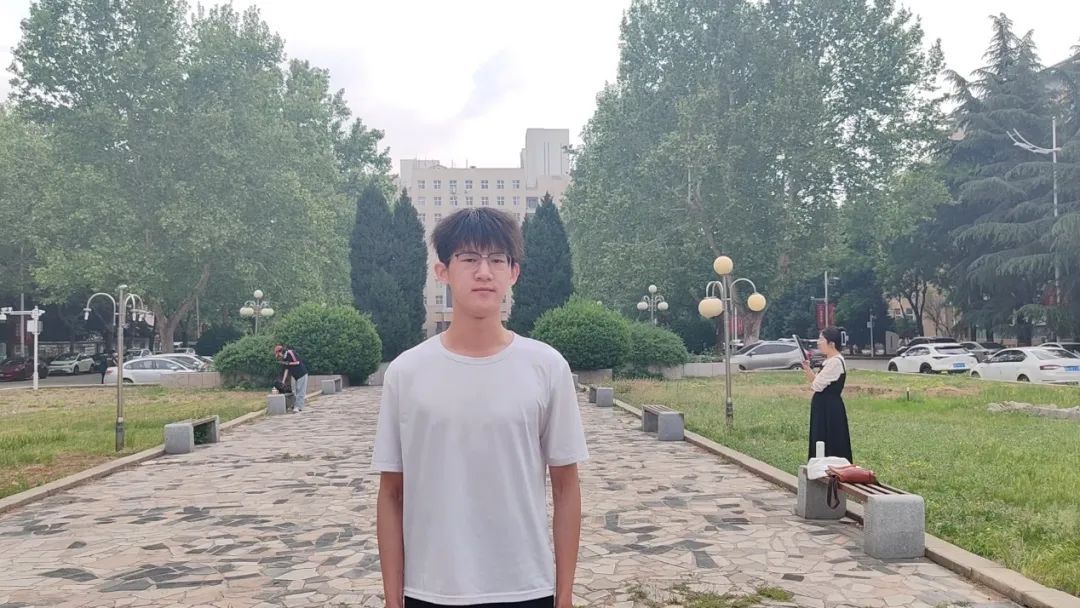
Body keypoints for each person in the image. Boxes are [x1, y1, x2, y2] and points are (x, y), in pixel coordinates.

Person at [371, 207, 589, 608]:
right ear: (442, 271)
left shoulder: (546, 367)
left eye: (497, 260)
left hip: (526, 587)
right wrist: (391, 597)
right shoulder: (407, 372)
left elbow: (566, 485)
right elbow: (391, 493)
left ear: (513, 273)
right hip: (431, 589)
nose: (484, 272)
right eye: (469, 259)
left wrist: (564, 595)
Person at [802, 326, 853, 462]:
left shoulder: (835, 362)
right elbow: (818, 383)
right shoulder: (830, 361)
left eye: (821, 339)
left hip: (829, 407)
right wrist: (808, 370)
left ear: (831, 344)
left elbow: (817, 386)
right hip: (825, 406)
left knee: (829, 439)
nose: (818, 342)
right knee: (822, 437)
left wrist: (814, 379)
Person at [275, 344, 308, 412]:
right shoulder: (285, 358)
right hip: (296, 376)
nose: (279, 356)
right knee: (295, 391)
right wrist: (283, 381)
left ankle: (298, 407)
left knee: (300, 391)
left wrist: (288, 363)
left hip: (302, 374)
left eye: (278, 354)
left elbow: (297, 362)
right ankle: (296, 405)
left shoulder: (290, 352)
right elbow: (286, 370)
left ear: (281, 351)